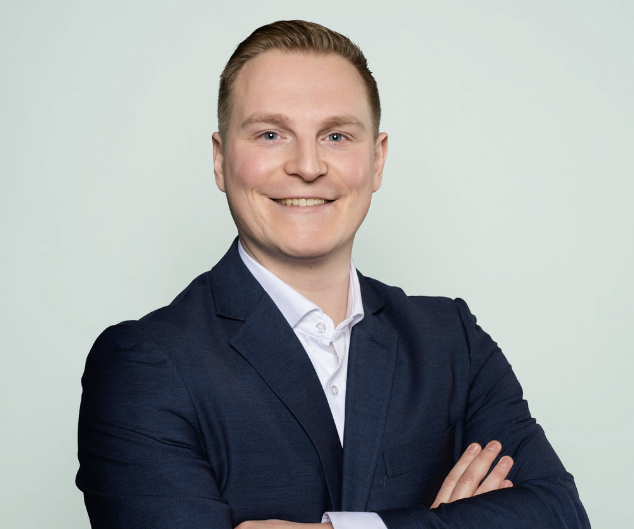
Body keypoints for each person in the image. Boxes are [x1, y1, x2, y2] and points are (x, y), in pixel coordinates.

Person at [76, 20, 590, 529]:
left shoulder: (452, 342)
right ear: (220, 159)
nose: (308, 166)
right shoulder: (143, 365)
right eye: (270, 134)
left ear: (377, 159)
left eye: (337, 135)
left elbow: (561, 515)